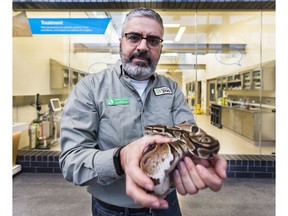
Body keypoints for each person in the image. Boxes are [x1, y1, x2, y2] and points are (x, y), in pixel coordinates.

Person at [59, 7, 227, 216]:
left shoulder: (172, 88)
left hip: (167, 205)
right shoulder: (90, 88)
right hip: (112, 210)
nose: (143, 46)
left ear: (160, 48)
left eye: (153, 40)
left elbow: (191, 133)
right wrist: (120, 159)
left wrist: (195, 157)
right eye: (134, 37)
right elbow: (71, 161)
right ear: (121, 41)